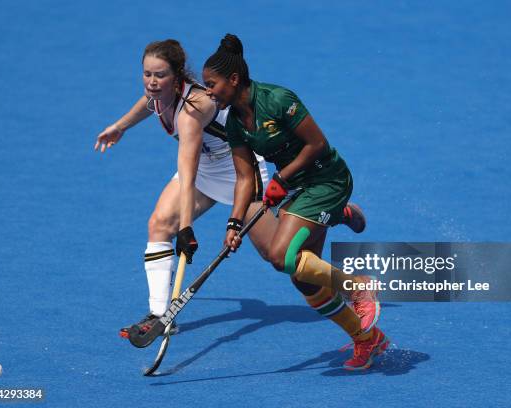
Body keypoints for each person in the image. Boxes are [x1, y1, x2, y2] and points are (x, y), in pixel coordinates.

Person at [94, 39, 366, 338]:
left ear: (178, 77)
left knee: (277, 255)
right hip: (206, 170)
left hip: (240, 171)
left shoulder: (192, 111)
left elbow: (187, 174)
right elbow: (149, 102)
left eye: (160, 75)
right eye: (147, 74)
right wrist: (121, 126)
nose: (153, 82)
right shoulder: (159, 94)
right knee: (159, 223)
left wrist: (186, 229)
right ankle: (161, 316)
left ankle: (335, 212)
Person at [202, 34, 388, 371]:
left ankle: (358, 287)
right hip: (300, 191)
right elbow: (245, 179)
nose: (208, 92)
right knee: (303, 277)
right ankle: (368, 341)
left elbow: (317, 144)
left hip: (328, 181)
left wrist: (282, 179)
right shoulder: (233, 124)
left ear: (233, 79)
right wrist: (233, 223)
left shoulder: (277, 99)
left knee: (281, 255)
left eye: (212, 84)